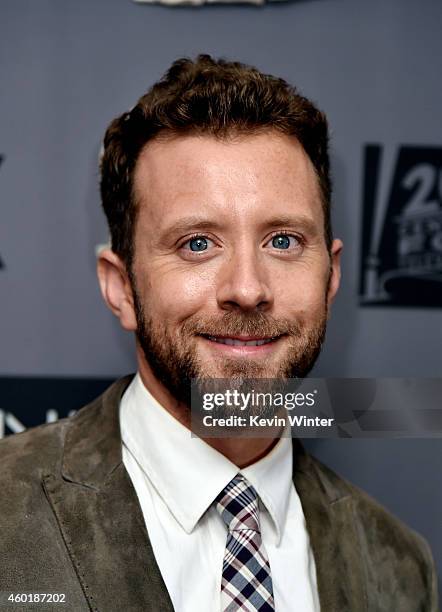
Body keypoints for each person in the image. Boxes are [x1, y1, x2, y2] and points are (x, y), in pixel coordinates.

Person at [0, 55, 438, 612]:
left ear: (331, 277)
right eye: (197, 244)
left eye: (282, 241)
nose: (248, 288)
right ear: (121, 288)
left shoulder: (399, 566)